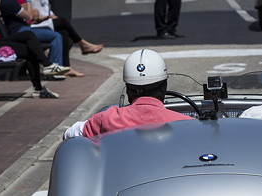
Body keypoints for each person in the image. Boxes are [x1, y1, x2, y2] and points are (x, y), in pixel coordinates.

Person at [63, 49, 191, 139]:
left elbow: (70, 133)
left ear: (128, 90)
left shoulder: (107, 119)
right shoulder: (187, 125)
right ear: (164, 87)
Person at [27, 0, 104, 77]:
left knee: (64, 33)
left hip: (46, 21)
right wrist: (50, 17)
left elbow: (47, 10)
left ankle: (66, 67)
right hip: (37, 25)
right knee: (62, 22)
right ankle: (83, 44)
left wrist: (53, 16)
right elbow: (35, 14)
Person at [0, 0, 69, 75]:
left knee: (55, 32)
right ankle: (53, 67)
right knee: (56, 36)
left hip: (24, 28)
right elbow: (29, 16)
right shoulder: (9, 3)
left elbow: (31, 15)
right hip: (20, 31)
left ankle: (54, 65)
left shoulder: (10, 0)